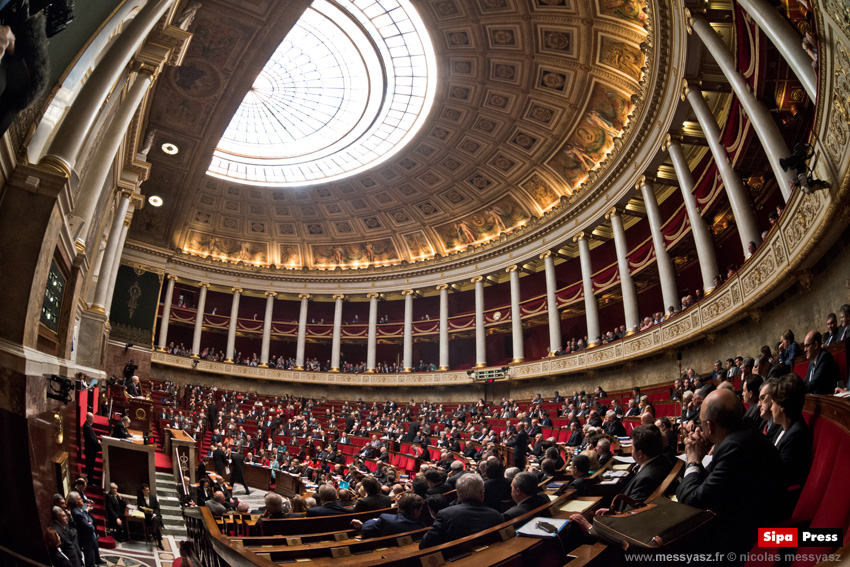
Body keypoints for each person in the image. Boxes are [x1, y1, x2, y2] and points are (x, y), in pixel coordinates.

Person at [676, 389, 785, 560]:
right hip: (746, 518)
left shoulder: (735, 446)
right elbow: (710, 480)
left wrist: (693, 460)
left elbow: (692, 500)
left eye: (700, 422)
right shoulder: (739, 433)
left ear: (710, 426)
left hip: (747, 539)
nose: (699, 426)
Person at [419, 473, 504, 549]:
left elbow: (424, 544)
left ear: (458, 494)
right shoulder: (496, 516)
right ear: (482, 493)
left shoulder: (445, 515)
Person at [767, 374, 813, 494]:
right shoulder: (781, 426)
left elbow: (779, 478)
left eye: (772, 403)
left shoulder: (796, 435)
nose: (771, 408)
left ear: (782, 406)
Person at [353, 493, 427, 538]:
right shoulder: (421, 526)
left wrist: (361, 525)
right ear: (415, 511)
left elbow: (366, 528)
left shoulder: (386, 519)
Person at [68, 492, 101, 567]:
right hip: (86, 538)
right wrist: (90, 524)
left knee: (92, 556)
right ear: (76, 502)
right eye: (80, 499)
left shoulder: (79, 509)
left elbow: (88, 519)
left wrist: (88, 520)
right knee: (89, 558)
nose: (82, 499)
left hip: (89, 536)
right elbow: (90, 527)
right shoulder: (77, 513)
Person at [802, 330, 839, 394]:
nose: (804, 350)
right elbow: (806, 381)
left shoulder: (825, 358)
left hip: (827, 400)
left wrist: (797, 390)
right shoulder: (812, 362)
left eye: (807, 346)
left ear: (816, 345)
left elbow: (814, 383)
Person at [137, 483, 164, 550]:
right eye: (147, 490)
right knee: (155, 523)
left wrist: (154, 514)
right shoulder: (140, 498)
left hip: (155, 515)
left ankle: (154, 532)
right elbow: (139, 507)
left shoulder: (153, 497)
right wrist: (145, 511)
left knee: (156, 519)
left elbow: (158, 508)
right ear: (143, 491)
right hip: (148, 517)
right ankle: (159, 542)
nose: (148, 491)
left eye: (148, 490)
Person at [82, 413, 100, 483]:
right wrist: (97, 442)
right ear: (89, 419)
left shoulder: (88, 426)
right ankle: (90, 480)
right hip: (90, 450)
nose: (93, 420)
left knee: (91, 465)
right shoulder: (87, 427)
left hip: (91, 449)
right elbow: (91, 439)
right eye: (92, 418)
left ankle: (91, 479)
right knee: (90, 465)